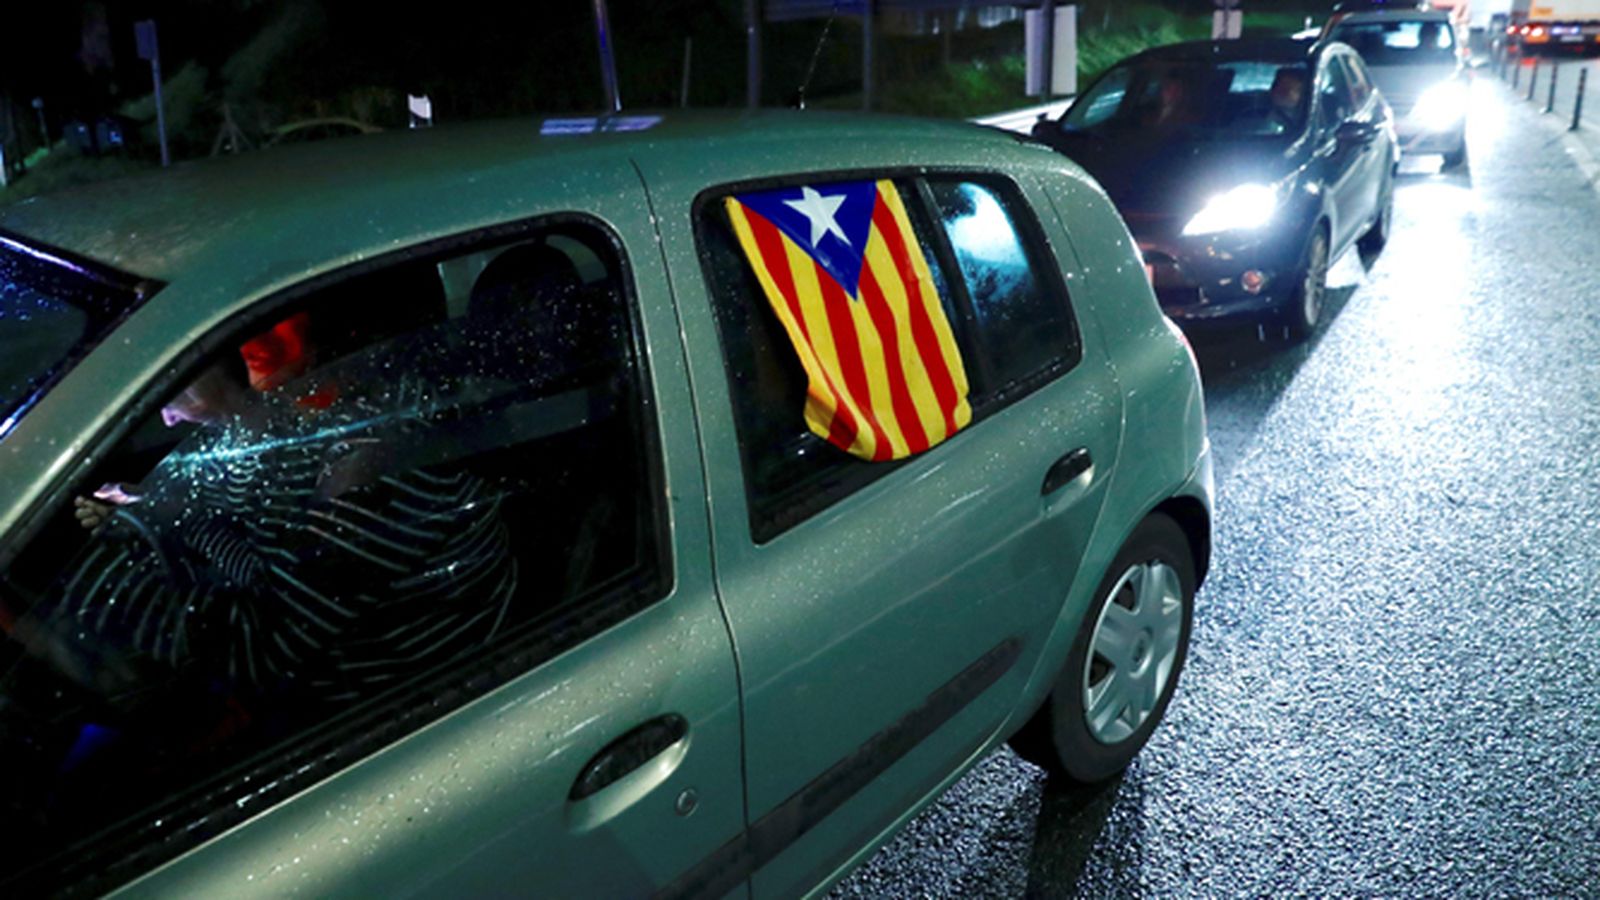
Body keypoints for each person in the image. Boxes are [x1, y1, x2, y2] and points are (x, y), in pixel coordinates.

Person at [1269, 66, 1308, 132]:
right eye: (1279, 87)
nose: (1281, 93)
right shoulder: (1257, 112)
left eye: (1287, 88)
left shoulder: (1312, 116)